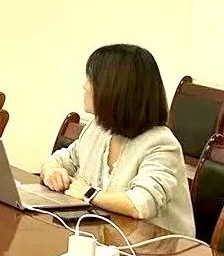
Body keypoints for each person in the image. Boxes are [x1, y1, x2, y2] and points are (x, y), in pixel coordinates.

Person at [41, 44, 195, 237]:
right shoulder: (97, 128)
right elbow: (60, 160)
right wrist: (53, 172)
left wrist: (89, 193)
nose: (85, 86)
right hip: (110, 240)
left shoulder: (162, 144)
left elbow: (141, 204)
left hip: (159, 250)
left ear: (115, 90)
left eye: (92, 80)